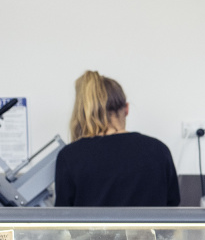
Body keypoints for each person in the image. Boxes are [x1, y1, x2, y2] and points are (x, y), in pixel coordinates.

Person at [54, 70, 180, 206]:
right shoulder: (159, 151)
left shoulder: (70, 156)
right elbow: (172, 206)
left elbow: (62, 215)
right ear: (126, 109)